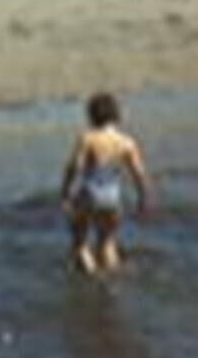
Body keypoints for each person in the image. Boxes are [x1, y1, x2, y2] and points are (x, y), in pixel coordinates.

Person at [59, 93, 153, 277]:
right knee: (107, 243)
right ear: (116, 115)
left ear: (91, 115)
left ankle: (90, 279)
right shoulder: (127, 142)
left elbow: (75, 166)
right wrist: (144, 200)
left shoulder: (88, 138)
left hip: (90, 193)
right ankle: (110, 284)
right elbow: (140, 175)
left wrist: (65, 191)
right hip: (113, 196)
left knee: (80, 241)